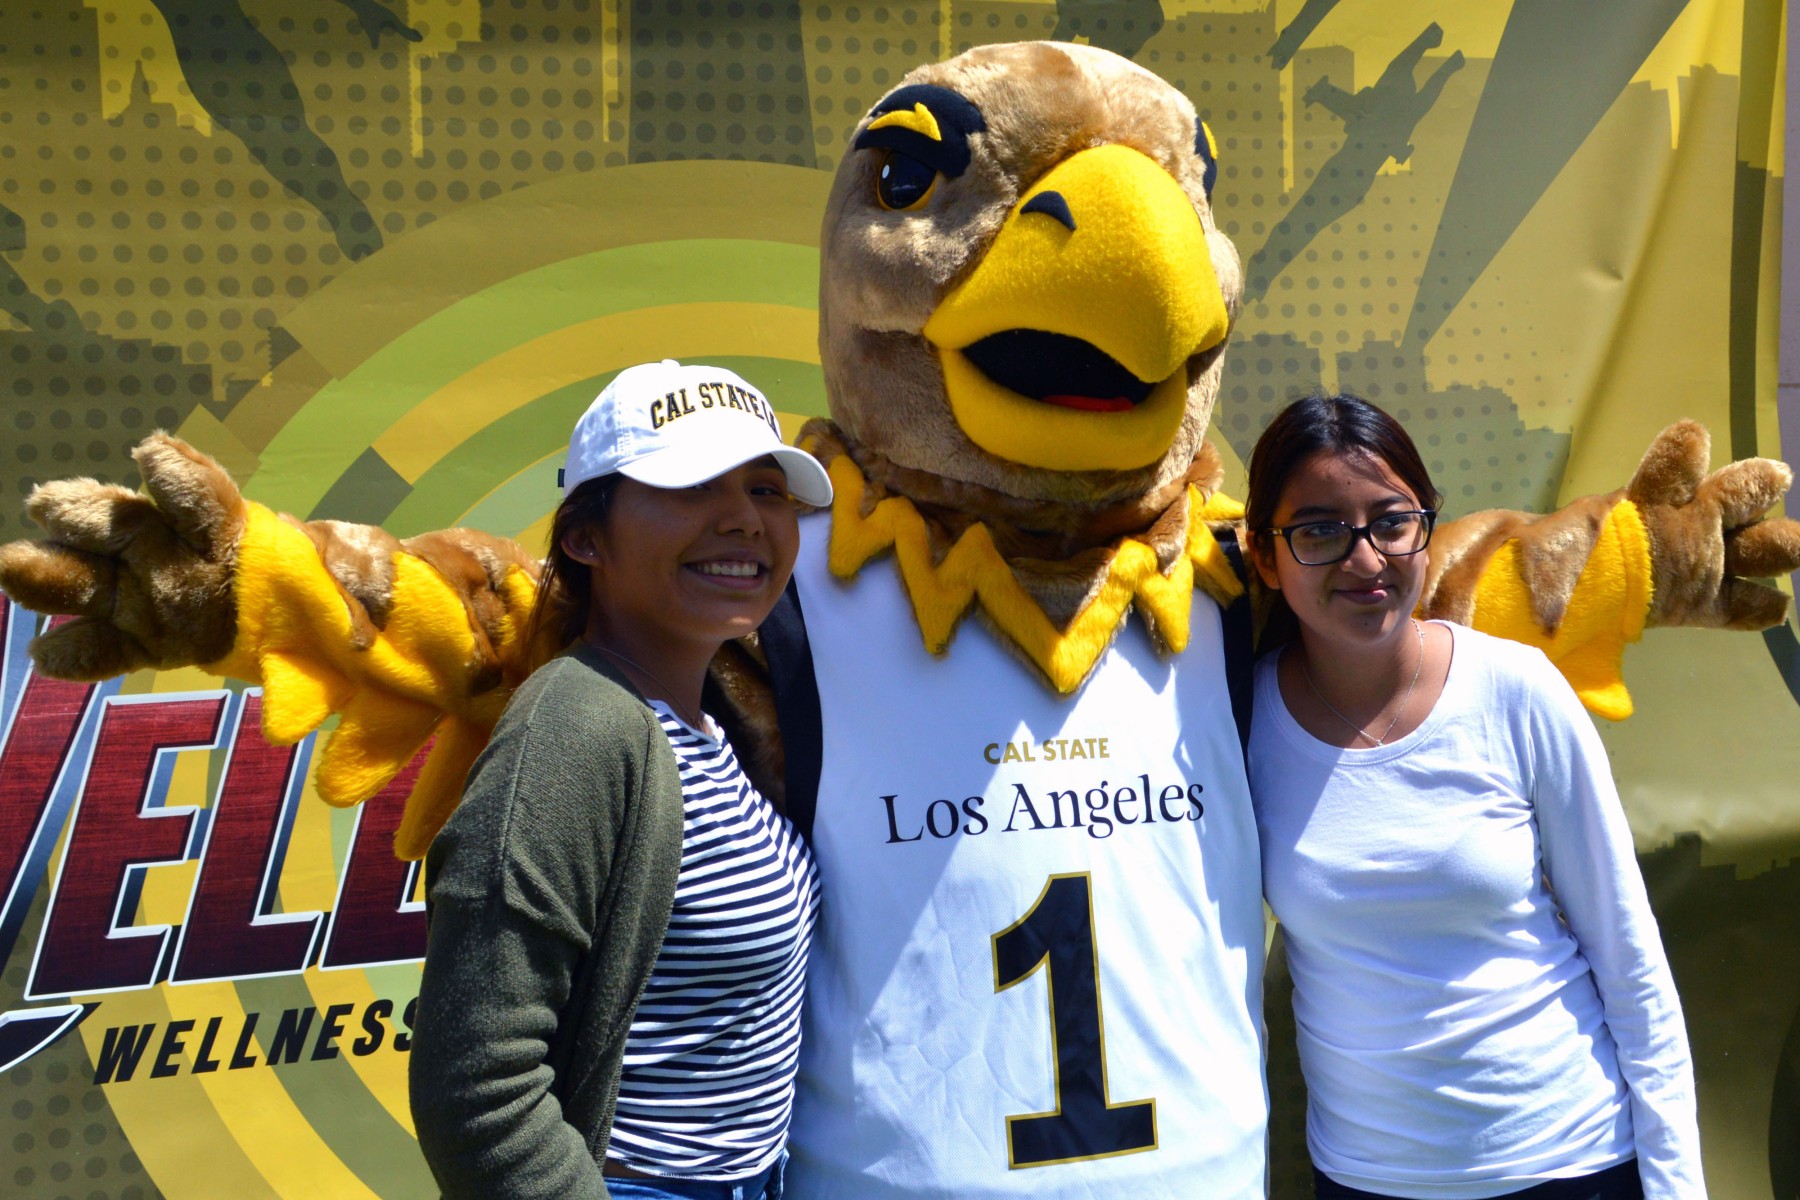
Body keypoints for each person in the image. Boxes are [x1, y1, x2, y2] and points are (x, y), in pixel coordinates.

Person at [1244, 394, 1705, 1200]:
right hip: (1366, 1179)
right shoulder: (1238, 724)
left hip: (1574, 1163)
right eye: (1319, 531)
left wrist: (1676, 1185)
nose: (1365, 558)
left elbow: (1630, 958)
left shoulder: (1516, 689)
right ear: (1263, 558)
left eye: (1392, 521)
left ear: (1426, 528)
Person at [408, 360, 835, 1200]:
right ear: (586, 538)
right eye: (692, 486)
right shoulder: (578, 724)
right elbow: (477, 1090)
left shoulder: (713, 726)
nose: (744, 520)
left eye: (766, 489)